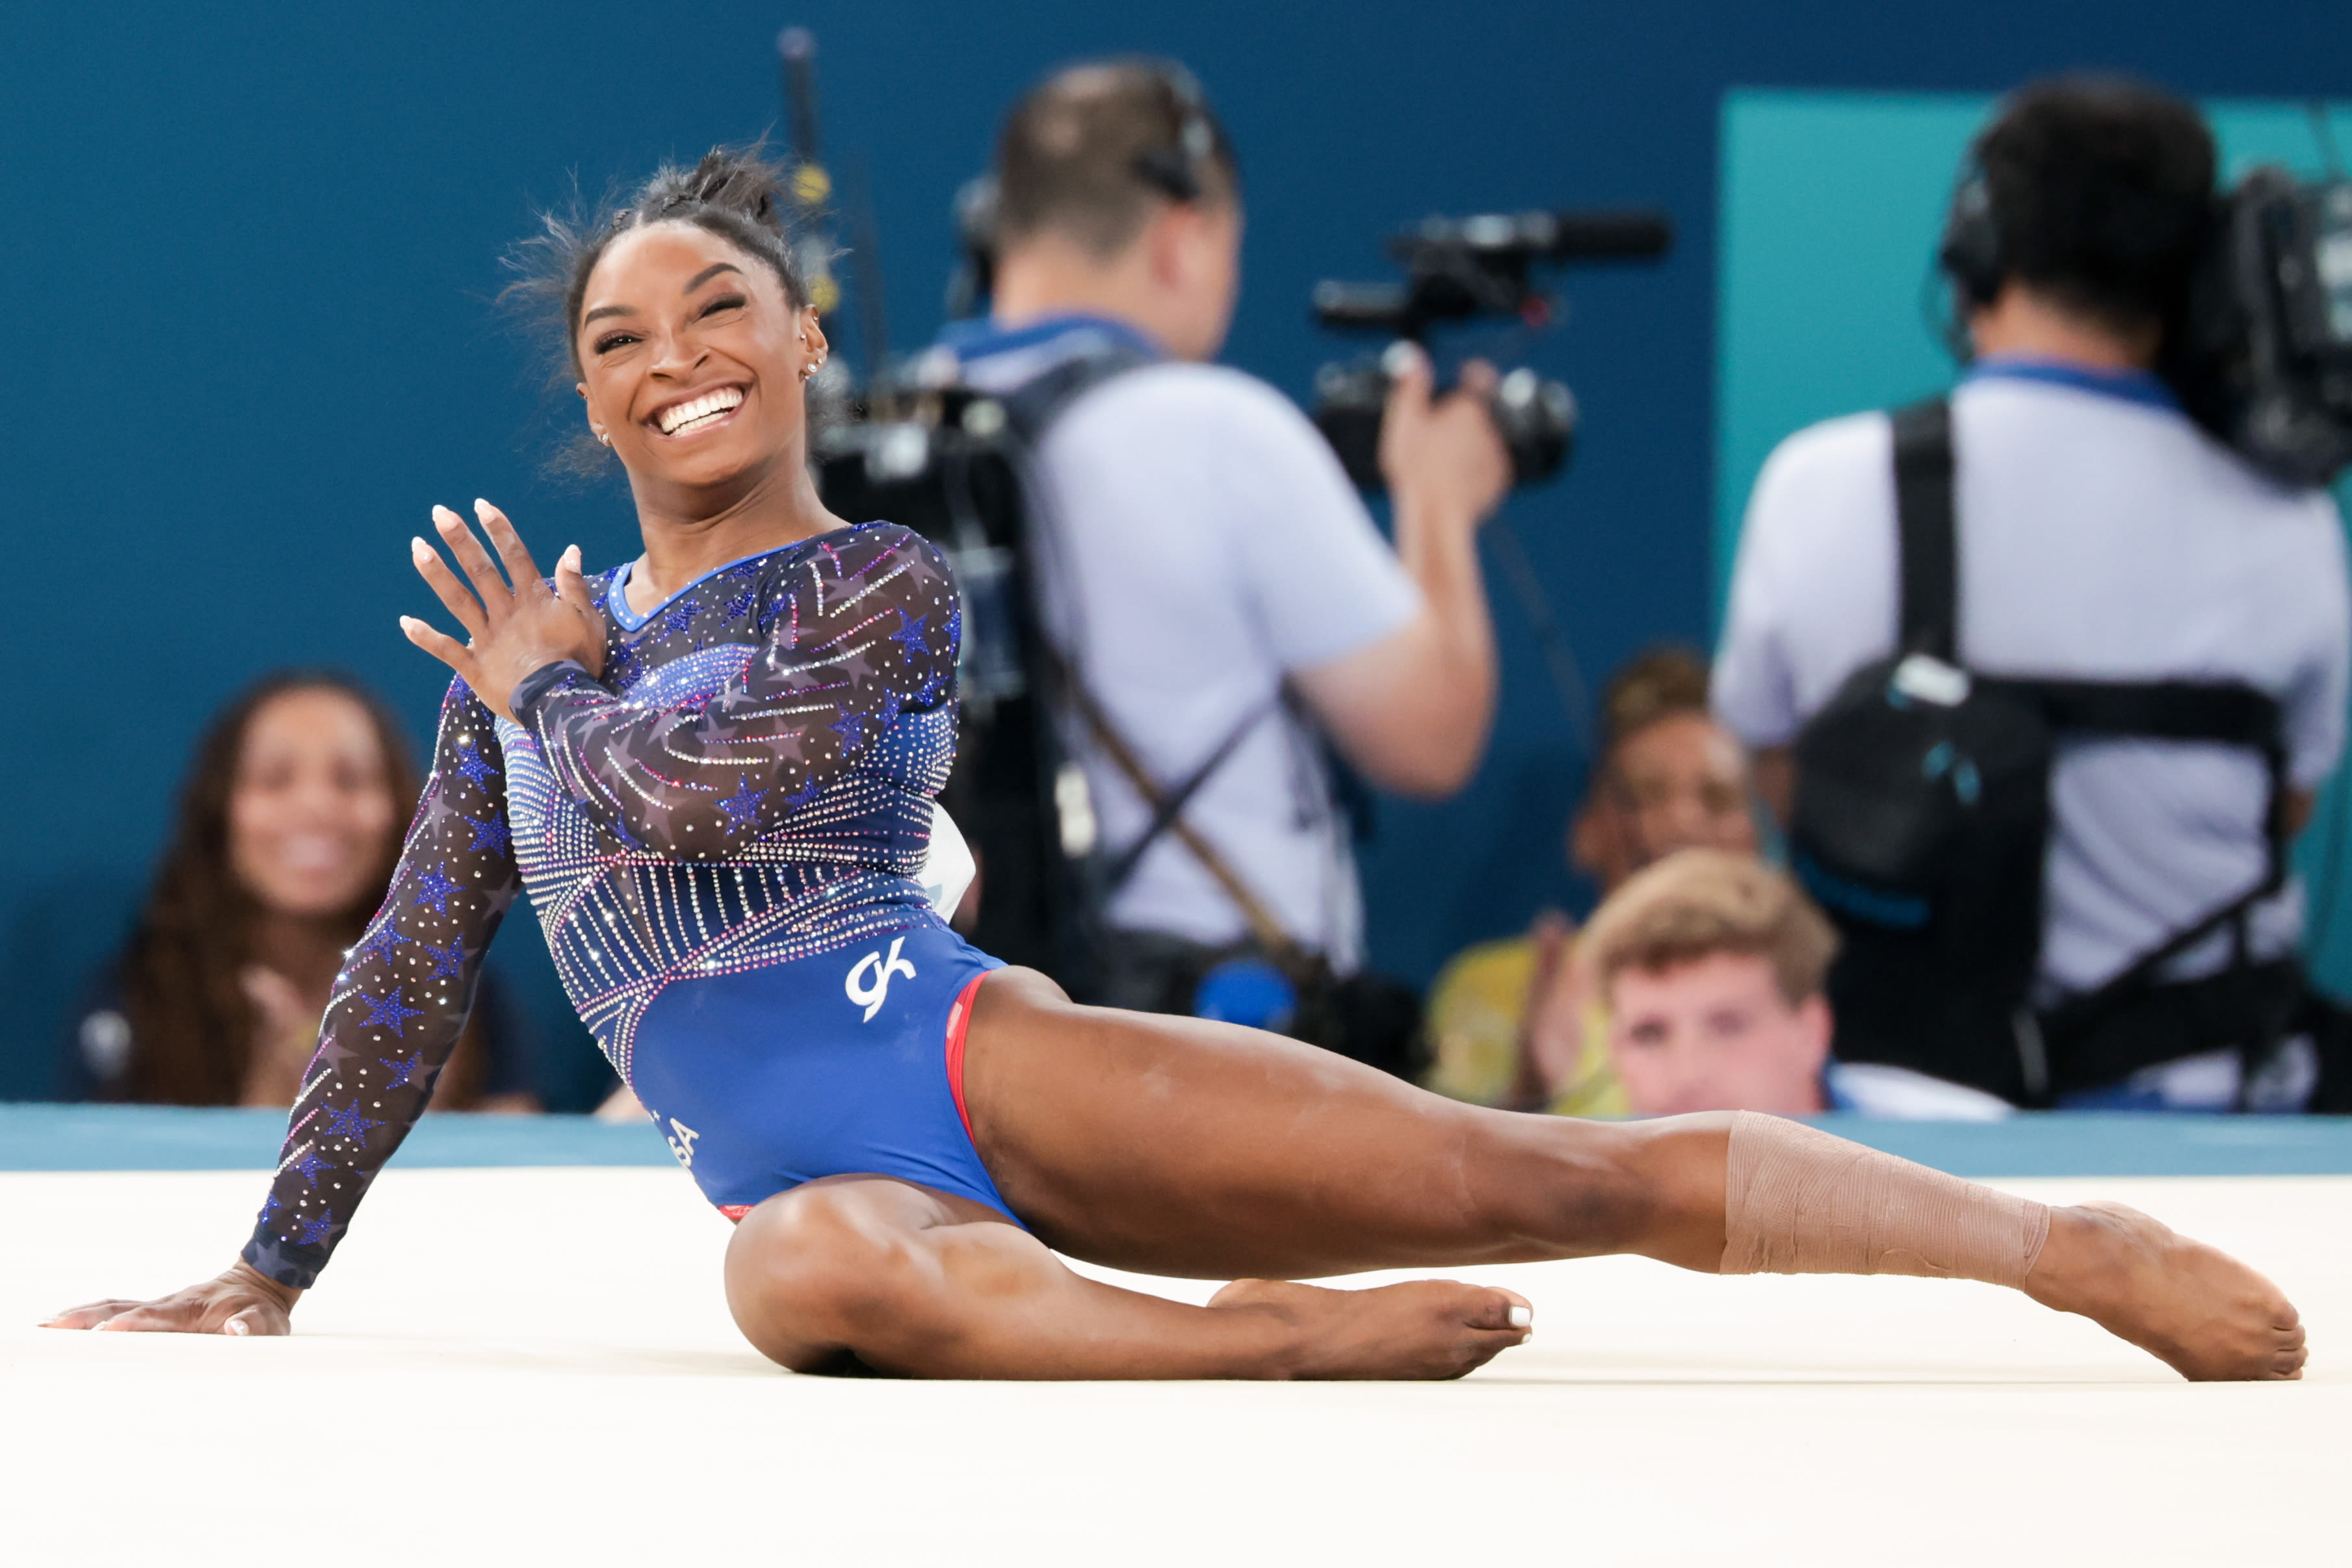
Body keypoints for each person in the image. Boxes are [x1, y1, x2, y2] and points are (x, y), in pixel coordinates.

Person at [44, 148, 2305, 1385]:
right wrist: (274, 1258)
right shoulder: (534, 655)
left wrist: (544, 695)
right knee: (796, 1293)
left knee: (1549, 1177)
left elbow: (690, 792)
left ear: (806, 339)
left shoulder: (877, 590)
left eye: (718, 310)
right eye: (621, 341)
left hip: (966, 1056)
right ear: (599, 399)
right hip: (793, 1176)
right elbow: (417, 956)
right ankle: (1237, 1345)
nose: (676, 361)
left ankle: (2051, 1243)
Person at [1714, 77, 2351, 1111]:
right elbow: (2287, 801)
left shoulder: (1823, 484)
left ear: (1975, 245)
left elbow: (1779, 771)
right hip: (2213, 1121)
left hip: (1906, 1131)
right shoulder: (2291, 525)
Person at [937, 60, 1511, 1041]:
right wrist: (1437, 500)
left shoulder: (884, 437)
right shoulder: (1217, 431)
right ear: (1183, 241)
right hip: (1213, 1048)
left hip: (969, 1036)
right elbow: (1430, 735)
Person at [59, 672, 536, 1112]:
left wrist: (414, 1124)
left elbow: (524, 1164)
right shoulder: (146, 995)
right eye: (274, 779)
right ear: (219, 812)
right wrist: (268, 1108)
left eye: (350, 780)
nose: (316, 806)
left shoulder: (465, 991)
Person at [1424, 647, 1758, 1113]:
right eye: (1646, 792)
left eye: (1717, 796)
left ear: (1761, 837)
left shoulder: (1796, 990)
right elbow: (1439, 1172)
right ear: (1586, 830)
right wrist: (1530, 1088)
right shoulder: (1491, 988)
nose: (1682, 822)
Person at [1584, 850, 2012, 1119]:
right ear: (1614, 1047)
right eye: (1649, 1035)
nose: (1688, 1073)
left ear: (1812, 1031)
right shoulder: (1571, 1203)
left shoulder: (1980, 1148)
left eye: (1728, 1025)